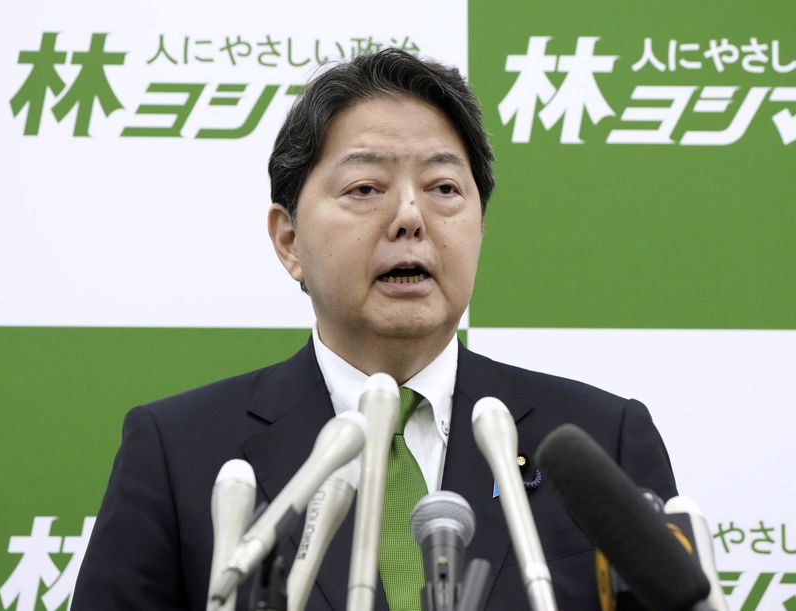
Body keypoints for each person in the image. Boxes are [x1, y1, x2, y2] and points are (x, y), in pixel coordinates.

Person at [72, 48, 676, 610]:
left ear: (480, 227)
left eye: (444, 188)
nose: (410, 217)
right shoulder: (178, 453)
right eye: (366, 188)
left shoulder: (602, 443)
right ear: (289, 241)